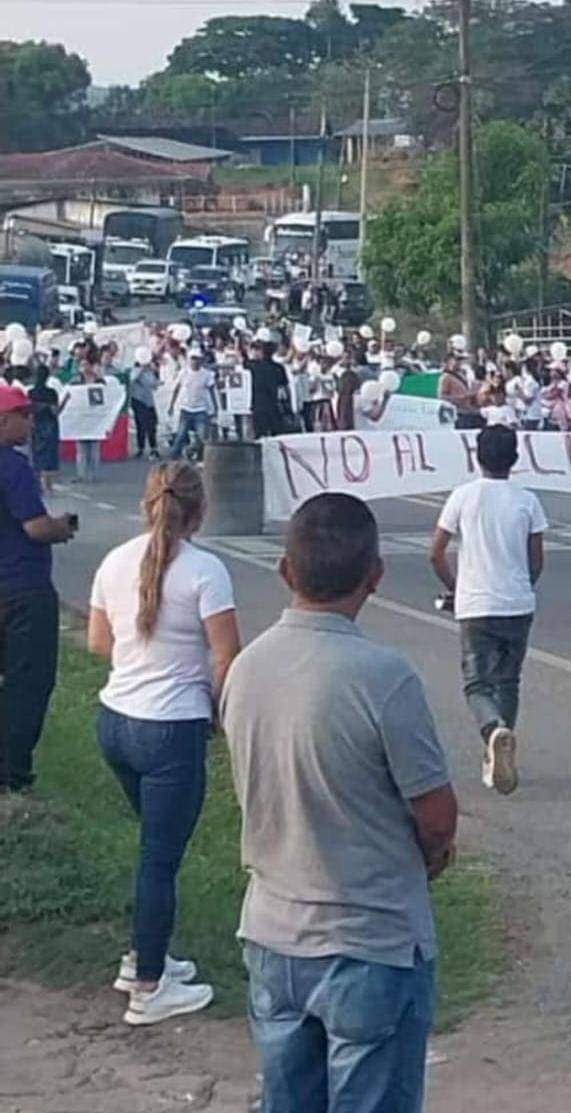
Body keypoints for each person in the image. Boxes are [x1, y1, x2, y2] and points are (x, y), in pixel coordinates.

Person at [222, 493, 457, 1113]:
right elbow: (436, 815)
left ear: (285, 570)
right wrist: (430, 856)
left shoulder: (245, 669)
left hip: (273, 931)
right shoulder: (382, 676)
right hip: (369, 939)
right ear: (374, 575)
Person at [87, 462, 240, 1024]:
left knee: (155, 849)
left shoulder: (114, 561)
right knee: (159, 860)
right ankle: (149, 985)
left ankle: (144, 957)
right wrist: (219, 715)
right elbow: (227, 655)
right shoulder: (206, 571)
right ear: (200, 510)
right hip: (171, 727)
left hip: (116, 720)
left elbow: (99, 642)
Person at [430, 426, 547, 795]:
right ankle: (498, 748)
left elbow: (436, 552)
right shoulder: (528, 500)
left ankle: (493, 730)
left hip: (476, 604)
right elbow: (536, 560)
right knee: (508, 680)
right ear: (514, 458)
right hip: (517, 602)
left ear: (476, 456)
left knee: (477, 682)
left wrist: (455, 586)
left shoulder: (463, 497)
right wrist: (523, 584)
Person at [0, 384, 77, 793]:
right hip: (22, 588)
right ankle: (12, 773)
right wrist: (61, 528)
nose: (30, 422)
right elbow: (34, 526)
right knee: (27, 683)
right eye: (22, 414)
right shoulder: (12, 466)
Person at [168, 350, 215, 461]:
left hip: (200, 409)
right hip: (186, 409)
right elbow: (176, 389)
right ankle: (174, 456)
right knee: (180, 434)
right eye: (192, 359)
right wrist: (171, 405)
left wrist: (215, 407)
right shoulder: (183, 373)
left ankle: (201, 456)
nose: (194, 361)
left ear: (201, 360)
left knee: (203, 436)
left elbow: (212, 390)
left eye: (196, 359)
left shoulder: (206, 374)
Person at [248, 334, 290, 439]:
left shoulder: (253, 366)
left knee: (260, 436)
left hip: (257, 405)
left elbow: (242, 357)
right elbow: (284, 388)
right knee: (277, 436)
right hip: (274, 405)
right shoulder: (278, 368)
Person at [28, 367, 60, 492]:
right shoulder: (52, 393)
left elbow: (30, 412)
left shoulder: (31, 392)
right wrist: (66, 401)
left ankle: (37, 484)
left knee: (36, 455)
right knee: (49, 456)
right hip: (50, 426)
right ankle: (49, 485)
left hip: (36, 425)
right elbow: (55, 412)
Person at [129, 349, 161, 460]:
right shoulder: (135, 369)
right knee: (141, 425)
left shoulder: (150, 371)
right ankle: (140, 448)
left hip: (149, 401)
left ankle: (154, 448)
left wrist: (155, 373)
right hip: (138, 400)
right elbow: (131, 379)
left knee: (152, 425)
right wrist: (140, 370)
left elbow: (153, 384)